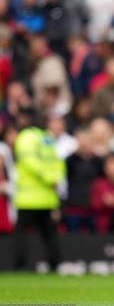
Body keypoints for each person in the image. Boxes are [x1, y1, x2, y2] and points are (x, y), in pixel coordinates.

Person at [12, 109, 66, 270]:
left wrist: (48, 177)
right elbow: (58, 163)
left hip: (28, 197)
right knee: (48, 233)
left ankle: (19, 265)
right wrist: (54, 179)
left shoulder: (26, 137)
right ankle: (55, 263)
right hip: (47, 196)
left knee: (21, 233)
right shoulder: (48, 139)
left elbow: (29, 162)